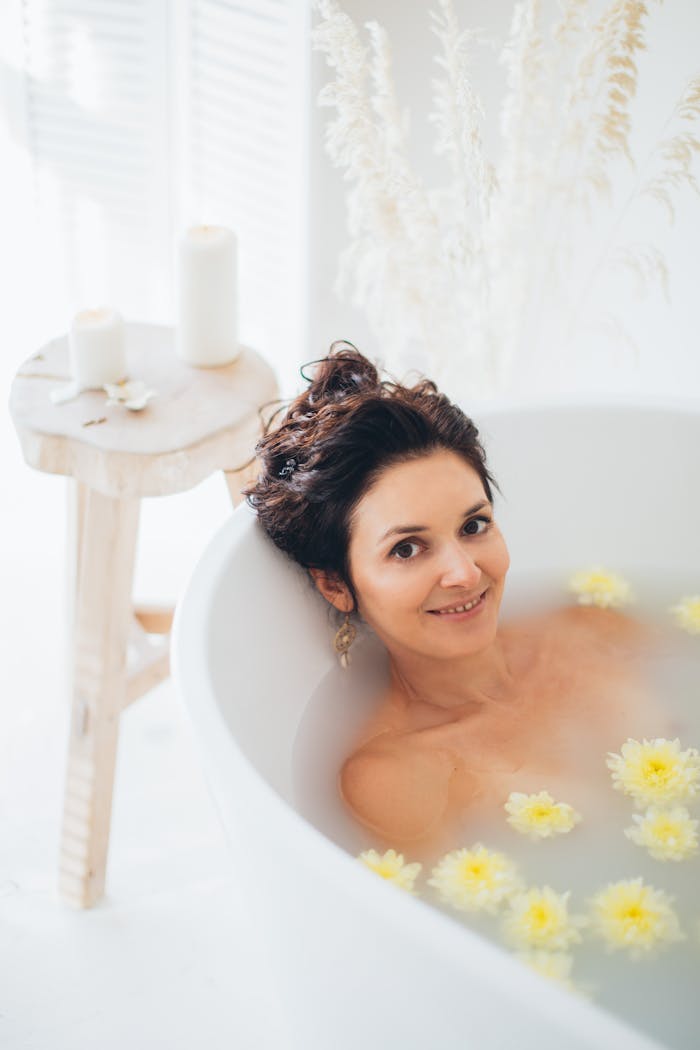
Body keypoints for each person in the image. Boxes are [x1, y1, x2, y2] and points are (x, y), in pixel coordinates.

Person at [244, 341, 671, 858]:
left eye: (474, 526)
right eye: (407, 549)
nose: (466, 573)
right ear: (336, 584)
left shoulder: (590, 629)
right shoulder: (396, 776)